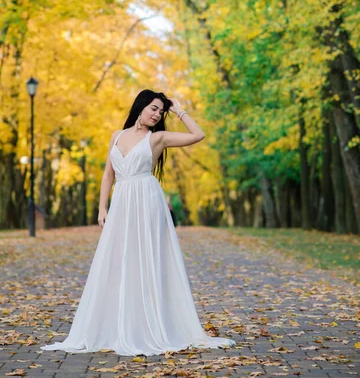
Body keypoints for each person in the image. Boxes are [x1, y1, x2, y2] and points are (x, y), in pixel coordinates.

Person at [41, 89, 236, 356]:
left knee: (147, 257)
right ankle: (119, 323)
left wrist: (178, 110)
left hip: (147, 201)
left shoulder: (157, 139)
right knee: (119, 259)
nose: (157, 114)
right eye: (153, 108)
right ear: (141, 107)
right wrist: (102, 206)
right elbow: (108, 174)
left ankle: (150, 322)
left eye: (160, 111)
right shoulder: (117, 136)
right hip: (122, 201)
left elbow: (198, 135)